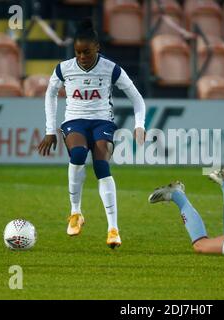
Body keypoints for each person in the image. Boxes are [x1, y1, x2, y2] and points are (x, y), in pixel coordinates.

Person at [38, 19, 146, 249]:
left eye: (86, 52)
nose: (82, 57)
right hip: (74, 121)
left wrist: (140, 125)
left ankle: (113, 229)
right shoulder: (64, 68)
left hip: (102, 122)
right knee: (77, 155)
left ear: (97, 47)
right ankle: (75, 212)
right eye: (77, 52)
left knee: (101, 166)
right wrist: (50, 130)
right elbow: (50, 94)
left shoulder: (111, 69)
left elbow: (136, 98)